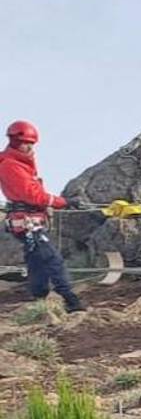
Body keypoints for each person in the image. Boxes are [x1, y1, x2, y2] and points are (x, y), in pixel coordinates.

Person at [0, 121, 85, 313]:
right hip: (27, 222)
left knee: (36, 259)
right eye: (25, 143)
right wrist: (64, 202)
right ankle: (71, 300)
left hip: (29, 219)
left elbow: (34, 194)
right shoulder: (12, 166)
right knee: (52, 259)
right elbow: (34, 195)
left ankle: (39, 296)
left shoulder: (20, 164)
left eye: (31, 143)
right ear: (14, 142)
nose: (29, 147)